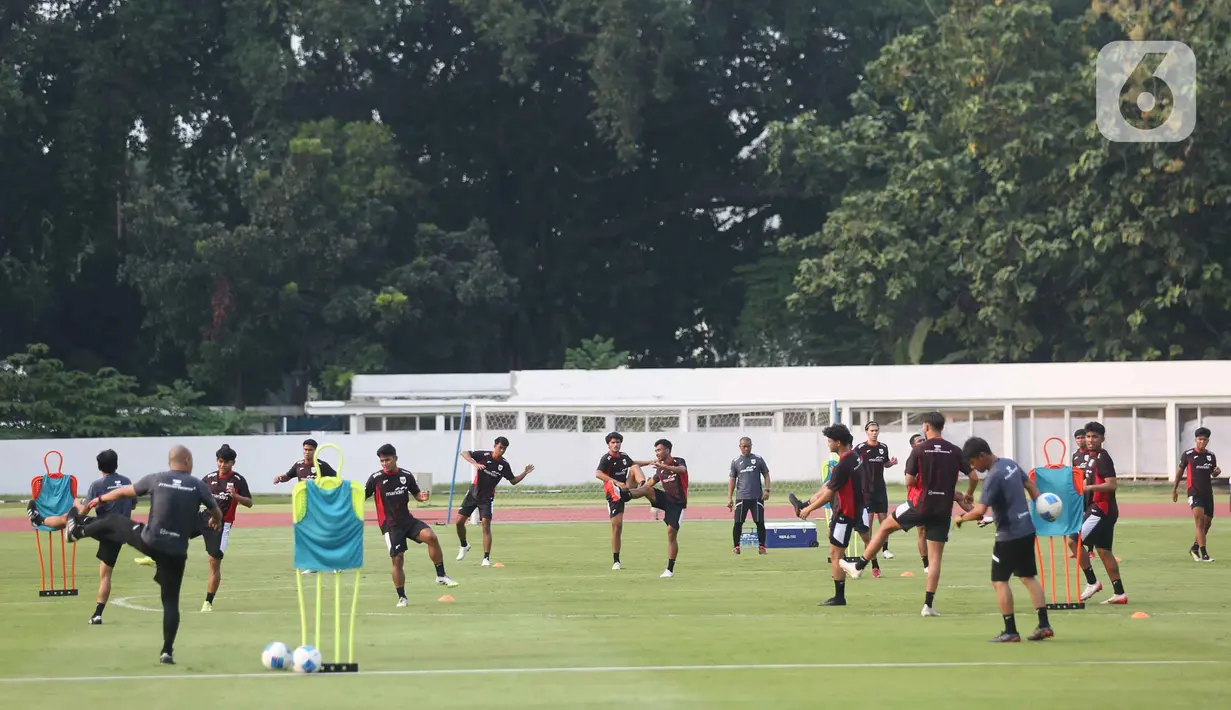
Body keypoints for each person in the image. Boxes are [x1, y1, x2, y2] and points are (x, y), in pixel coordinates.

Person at [30, 446, 222, 665]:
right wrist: (215, 520)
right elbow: (216, 511)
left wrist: (100, 499)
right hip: (176, 551)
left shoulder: (156, 478)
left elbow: (123, 493)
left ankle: (76, 532)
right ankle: (167, 651)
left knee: (113, 521)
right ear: (187, 460)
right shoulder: (197, 485)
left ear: (171, 461)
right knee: (170, 603)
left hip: (151, 540)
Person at [840, 411, 976, 617]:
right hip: (943, 509)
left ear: (926, 427)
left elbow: (909, 481)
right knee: (935, 559)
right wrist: (969, 494)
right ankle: (928, 605)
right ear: (942, 427)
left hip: (919, 505)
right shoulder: (955, 450)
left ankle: (859, 566)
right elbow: (973, 476)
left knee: (885, 527)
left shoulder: (919, 450)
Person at [956, 437, 1055, 642]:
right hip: (1027, 529)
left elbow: (980, 511)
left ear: (982, 456)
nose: (974, 468)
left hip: (1008, 536)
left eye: (973, 463)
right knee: (1028, 577)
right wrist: (1043, 507)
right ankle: (1044, 625)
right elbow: (1030, 485)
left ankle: (1010, 631)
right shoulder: (1010, 464)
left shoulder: (993, 477)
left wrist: (961, 518)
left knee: (999, 581)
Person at [365, 443, 457, 607]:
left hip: (407, 520)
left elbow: (416, 494)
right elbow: (361, 496)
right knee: (398, 560)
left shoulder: (406, 475)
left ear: (395, 458)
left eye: (387, 460)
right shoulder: (376, 478)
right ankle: (402, 597)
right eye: (382, 461)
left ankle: (441, 575)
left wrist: (422, 497)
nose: (385, 463)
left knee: (431, 536)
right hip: (390, 526)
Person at [792, 424, 864, 606]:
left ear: (838, 442)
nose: (828, 444)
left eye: (830, 441)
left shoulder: (843, 464)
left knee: (836, 554)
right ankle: (840, 593)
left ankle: (840, 596)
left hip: (845, 513)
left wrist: (809, 509)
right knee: (836, 551)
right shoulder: (855, 457)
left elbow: (828, 495)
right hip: (854, 510)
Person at [455, 436, 534, 566]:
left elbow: (513, 481)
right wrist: (474, 463)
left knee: (486, 525)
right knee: (459, 523)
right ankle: (464, 545)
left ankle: (486, 558)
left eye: (504, 449)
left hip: (487, 498)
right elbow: (464, 453)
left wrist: (524, 473)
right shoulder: (484, 455)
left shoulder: (504, 465)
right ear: (495, 446)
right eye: (500, 447)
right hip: (473, 494)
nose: (502, 450)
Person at [622, 439, 688, 578]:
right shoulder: (660, 468)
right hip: (665, 499)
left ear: (667, 450)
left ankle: (669, 569)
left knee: (671, 533)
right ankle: (624, 495)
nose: (657, 453)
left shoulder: (678, 461)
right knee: (646, 489)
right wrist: (639, 488)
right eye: (655, 451)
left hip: (677, 504)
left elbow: (682, 470)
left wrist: (664, 467)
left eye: (659, 450)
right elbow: (650, 484)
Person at [1077, 421, 1127, 604]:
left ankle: (1092, 582)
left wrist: (1089, 488)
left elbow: (1111, 484)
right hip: (1102, 509)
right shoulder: (1090, 457)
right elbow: (1087, 482)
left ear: (1102, 439)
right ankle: (1119, 593)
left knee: (1073, 540)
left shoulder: (1102, 458)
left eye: (1094, 437)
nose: (1090, 440)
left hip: (1101, 508)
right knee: (1104, 551)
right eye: (1088, 436)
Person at [82, 449, 134, 625]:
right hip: (120, 533)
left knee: (73, 519)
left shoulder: (97, 485)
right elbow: (132, 505)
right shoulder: (127, 482)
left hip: (104, 527)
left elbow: (84, 510)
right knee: (105, 575)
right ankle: (97, 614)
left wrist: (75, 502)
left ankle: (41, 519)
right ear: (116, 464)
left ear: (99, 467)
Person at [198, 444, 252, 611]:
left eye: (226, 462)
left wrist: (236, 496)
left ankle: (208, 602)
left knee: (214, 562)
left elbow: (249, 503)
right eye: (220, 461)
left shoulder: (238, 480)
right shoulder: (209, 478)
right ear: (217, 461)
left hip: (221, 525)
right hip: (205, 517)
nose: (223, 465)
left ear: (233, 462)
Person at [594, 432, 645, 570]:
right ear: (608, 445)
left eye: (618, 442)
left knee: (634, 467)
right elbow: (598, 473)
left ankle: (643, 486)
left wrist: (651, 462)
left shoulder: (624, 456)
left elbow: (634, 463)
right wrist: (616, 482)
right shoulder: (606, 459)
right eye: (613, 442)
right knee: (617, 527)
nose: (616, 444)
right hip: (614, 494)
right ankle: (616, 561)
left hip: (625, 489)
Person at [853, 422, 898, 573]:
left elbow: (885, 463)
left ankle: (885, 549)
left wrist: (891, 463)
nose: (874, 433)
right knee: (869, 525)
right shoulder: (860, 448)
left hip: (880, 490)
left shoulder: (883, 447)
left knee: (885, 522)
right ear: (866, 432)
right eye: (871, 430)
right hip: (866, 491)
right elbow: (851, 462)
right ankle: (873, 560)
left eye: (876, 430)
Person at [1173, 427, 1220, 562]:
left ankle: (1194, 548)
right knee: (1199, 522)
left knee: (1207, 522)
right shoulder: (1188, 455)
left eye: (1204, 440)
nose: (1202, 442)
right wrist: (1175, 489)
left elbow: (1212, 473)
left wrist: (1216, 473)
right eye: (1199, 439)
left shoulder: (1211, 456)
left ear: (1207, 441)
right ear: (1195, 440)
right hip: (1194, 492)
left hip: (1207, 493)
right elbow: (1179, 473)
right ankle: (1204, 553)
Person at [728, 437, 771, 555]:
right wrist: (729, 497)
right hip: (741, 497)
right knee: (738, 523)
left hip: (757, 497)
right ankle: (736, 547)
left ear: (751, 446)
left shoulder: (758, 459)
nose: (746, 448)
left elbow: (766, 475)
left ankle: (762, 547)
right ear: (740, 447)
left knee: (759, 522)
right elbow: (732, 480)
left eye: (748, 446)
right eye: (744, 446)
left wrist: (767, 490)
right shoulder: (736, 461)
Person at [906, 432, 929, 572]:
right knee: (922, 531)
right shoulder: (913, 459)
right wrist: (922, 484)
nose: (923, 442)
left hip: (931, 497)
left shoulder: (931, 457)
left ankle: (979, 517)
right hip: (918, 499)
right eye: (919, 441)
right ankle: (926, 564)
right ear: (913, 446)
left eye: (923, 440)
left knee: (958, 496)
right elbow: (909, 481)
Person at [1068, 428, 1091, 560]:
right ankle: (1078, 548)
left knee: (1089, 518)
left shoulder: (1091, 454)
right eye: (1078, 438)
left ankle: (1090, 549)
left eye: (1083, 437)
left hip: (1090, 490)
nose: (1080, 440)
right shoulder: (1075, 455)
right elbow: (1074, 473)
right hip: (1079, 491)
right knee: (1079, 518)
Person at [273, 438, 338, 485]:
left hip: (317, 498)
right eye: (305, 449)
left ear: (315, 451)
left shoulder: (322, 465)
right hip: (303, 497)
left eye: (310, 450)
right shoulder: (298, 465)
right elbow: (287, 477)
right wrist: (279, 478)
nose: (307, 452)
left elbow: (337, 478)